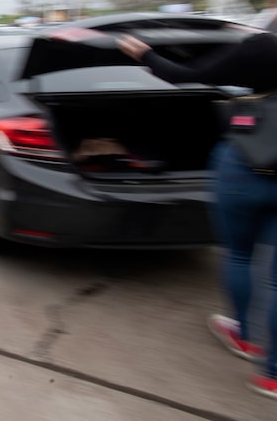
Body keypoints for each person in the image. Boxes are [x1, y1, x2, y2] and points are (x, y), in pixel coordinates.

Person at [117, 31, 277, 400]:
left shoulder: (262, 47)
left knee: (240, 254)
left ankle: (245, 337)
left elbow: (184, 76)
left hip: (245, 165)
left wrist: (145, 54)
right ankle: (272, 377)